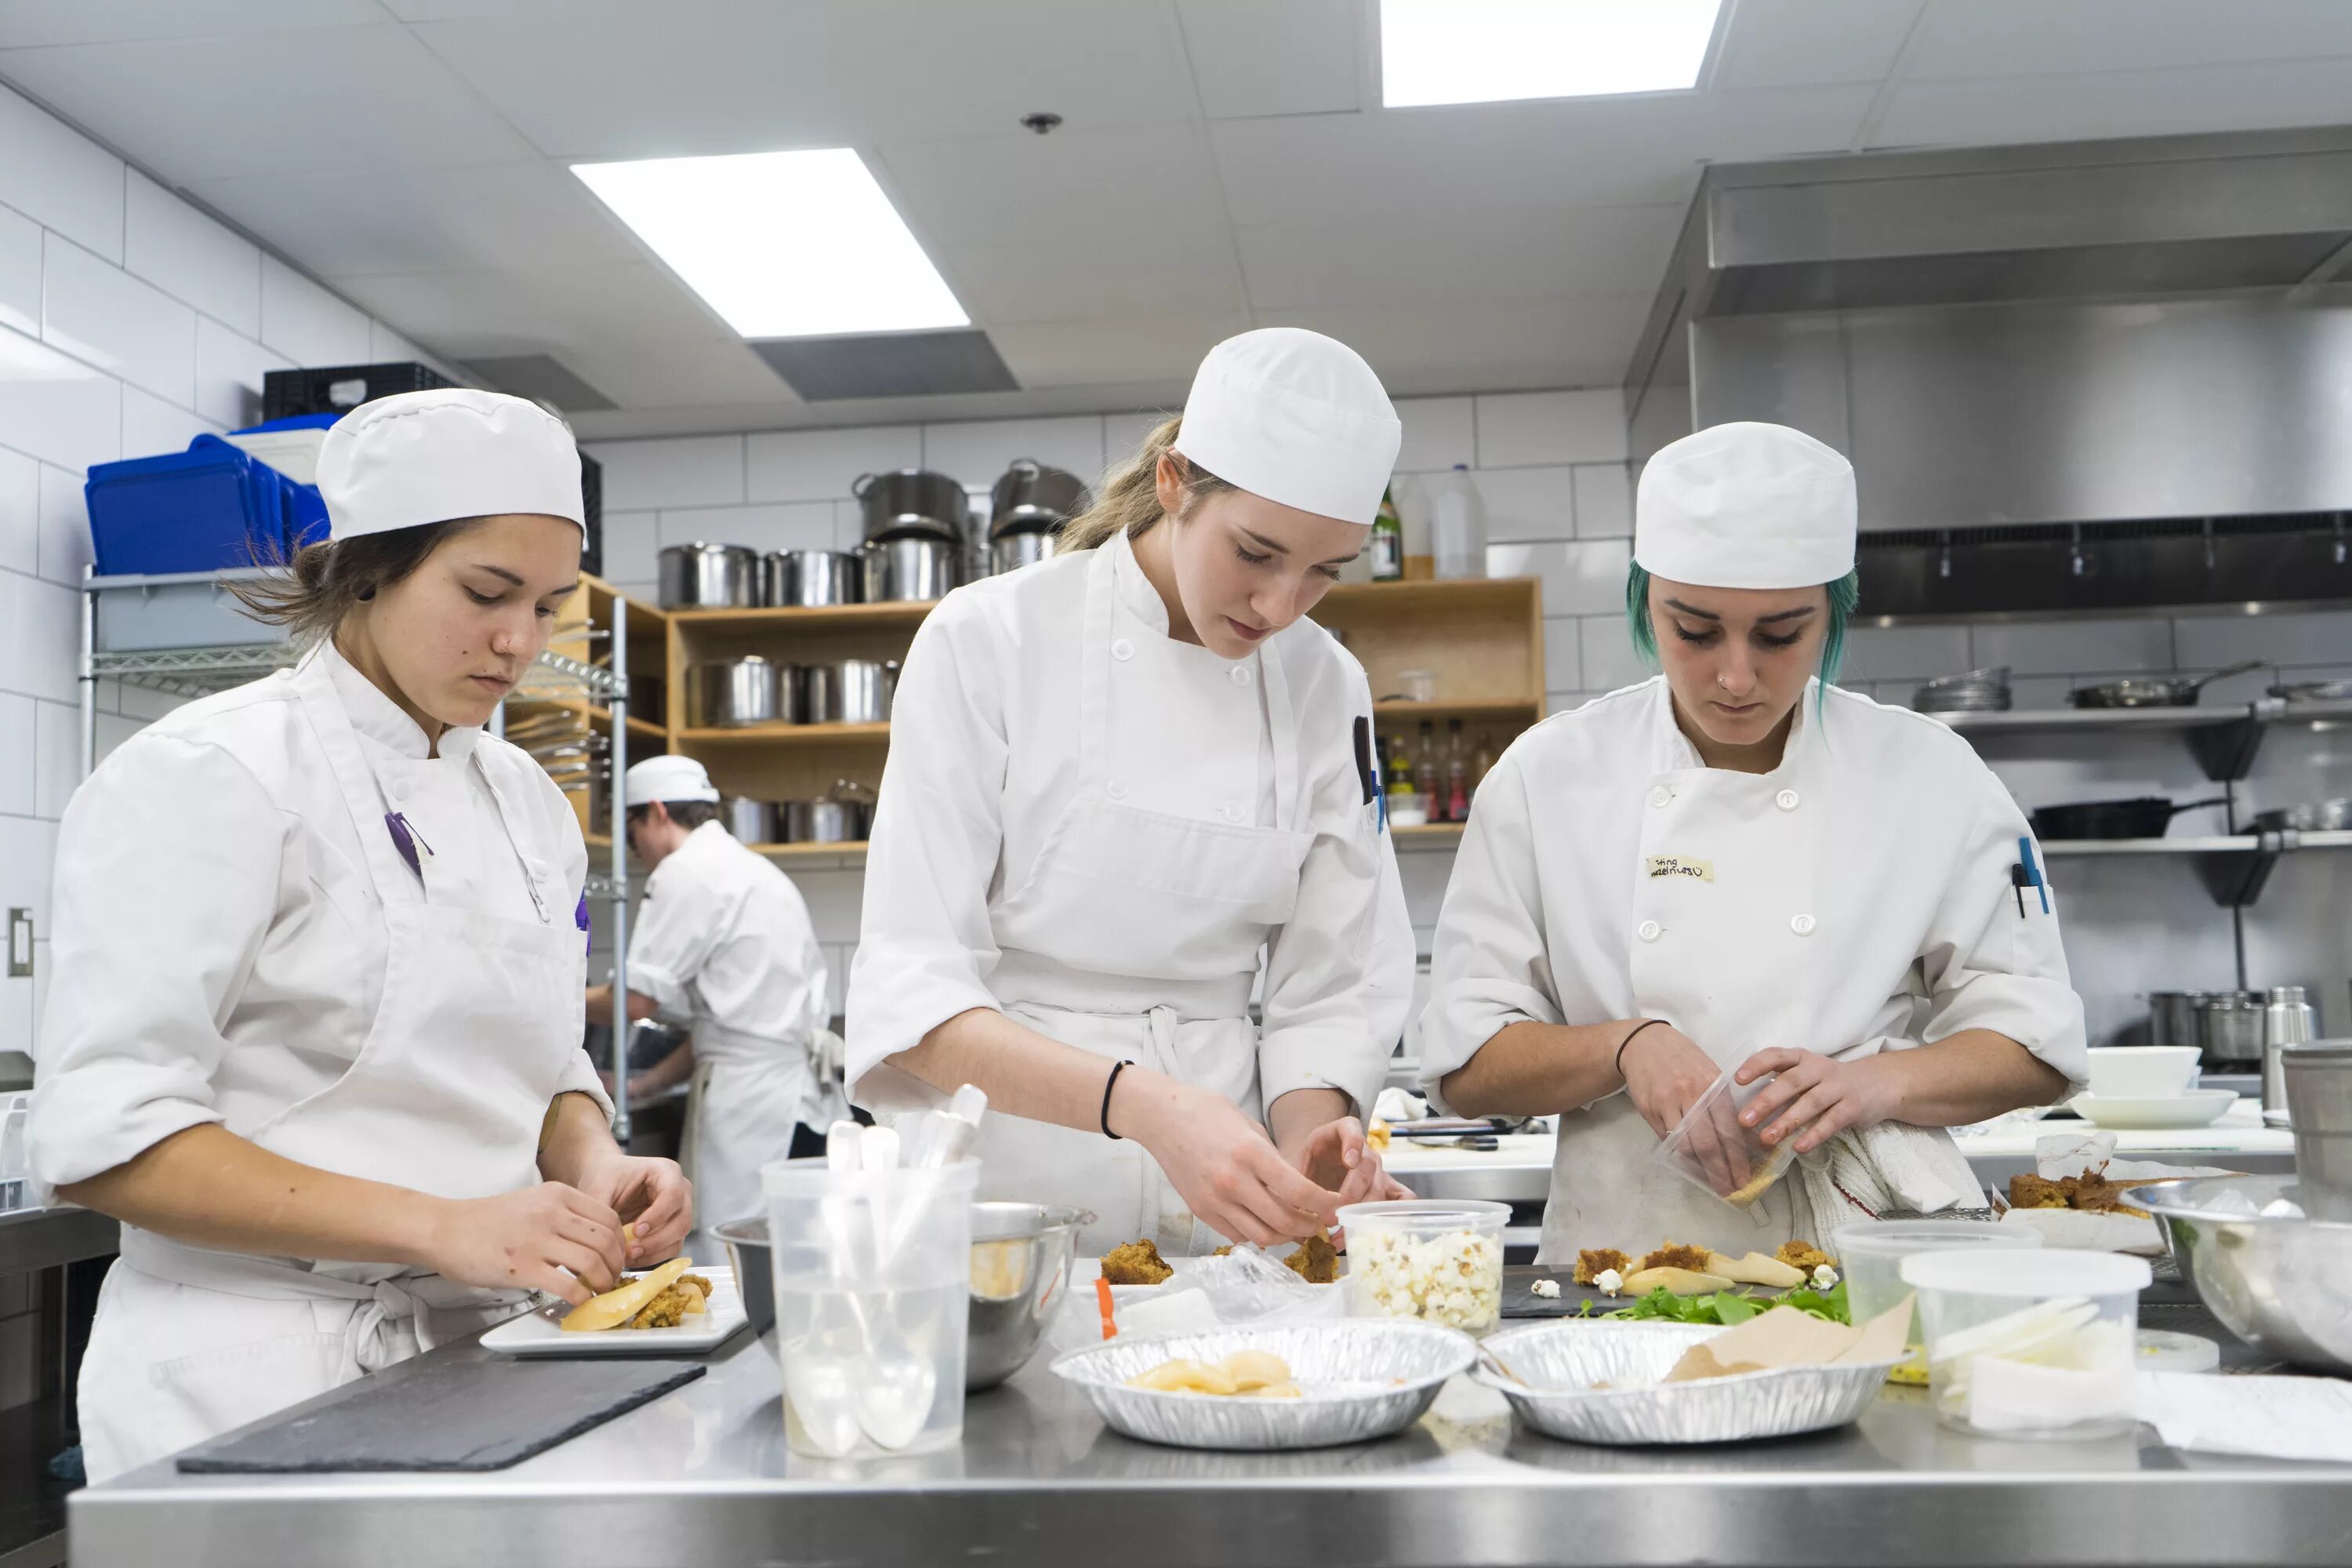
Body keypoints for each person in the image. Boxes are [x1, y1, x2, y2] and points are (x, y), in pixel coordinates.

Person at [31, 390, 691, 1482]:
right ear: (366, 569)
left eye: (546, 604)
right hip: (251, 1379)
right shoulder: (214, 774)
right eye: (486, 594)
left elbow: (542, 1057)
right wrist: (447, 1227)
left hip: (490, 1358)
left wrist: (597, 1165)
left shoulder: (525, 798)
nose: (518, 642)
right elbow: (106, 1138)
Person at [1417, 422, 2086, 1261]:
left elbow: (2038, 1045)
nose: (1736, 677)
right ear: (1645, 598)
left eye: (1780, 635)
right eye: (1694, 631)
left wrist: (1875, 1082)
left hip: (1868, 1251)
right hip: (1625, 1257)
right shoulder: (1549, 776)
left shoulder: (1930, 776)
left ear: (1835, 610)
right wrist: (1625, 1046)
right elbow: (1465, 1061)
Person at [847, 328, 1417, 1256]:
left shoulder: (1327, 683)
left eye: (1324, 572)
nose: (1280, 606)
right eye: (1257, 552)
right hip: (1002, 1200)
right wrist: (1145, 1106)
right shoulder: (992, 639)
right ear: (1173, 482)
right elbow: (912, 996)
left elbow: (1330, 985)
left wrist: (1310, 1148)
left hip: (1223, 1211)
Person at [586, 754, 844, 1240]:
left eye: (631, 830)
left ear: (657, 812)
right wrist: (643, 1087)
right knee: (792, 1253)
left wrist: (554, 995)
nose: (633, 847)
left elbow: (633, 1002)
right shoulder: (753, 870)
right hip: (799, 1104)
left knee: (733, 1250)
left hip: (750, 1107)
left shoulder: (686, 872)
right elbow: (726, 1027)